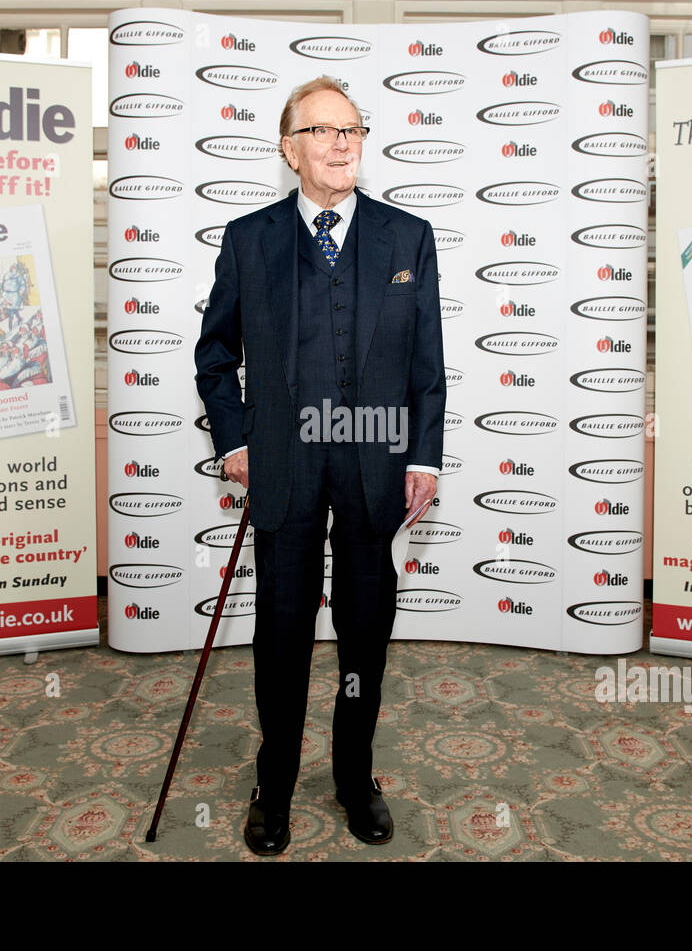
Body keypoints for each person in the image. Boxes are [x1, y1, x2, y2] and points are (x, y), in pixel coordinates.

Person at [194, 76, 445, 856]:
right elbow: (214, 355)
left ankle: (353, 773)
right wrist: (234, 443)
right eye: (325, 130)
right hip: (285, 464)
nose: (343, 143)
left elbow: (427, 367)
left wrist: (425, 455)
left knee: (364, 633)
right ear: (289, 147)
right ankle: (274, 781)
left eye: (353, 129)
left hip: (375, 462)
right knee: (281, 632)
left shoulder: (408, 237)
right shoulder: (250, 239)